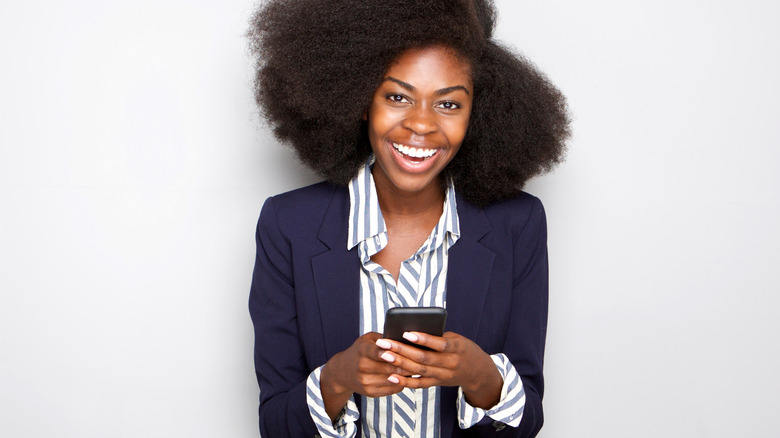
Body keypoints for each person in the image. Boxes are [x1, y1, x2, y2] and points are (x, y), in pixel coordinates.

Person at [247, 0, 569, 436]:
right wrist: (338, 377)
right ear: (362, 101)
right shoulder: (289, 225)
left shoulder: (518, 224)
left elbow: (527, 421)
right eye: (397, 97)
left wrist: (480, 376)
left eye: (449, 105)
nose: (421, 125)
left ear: (477, 114)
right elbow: (275, 425)